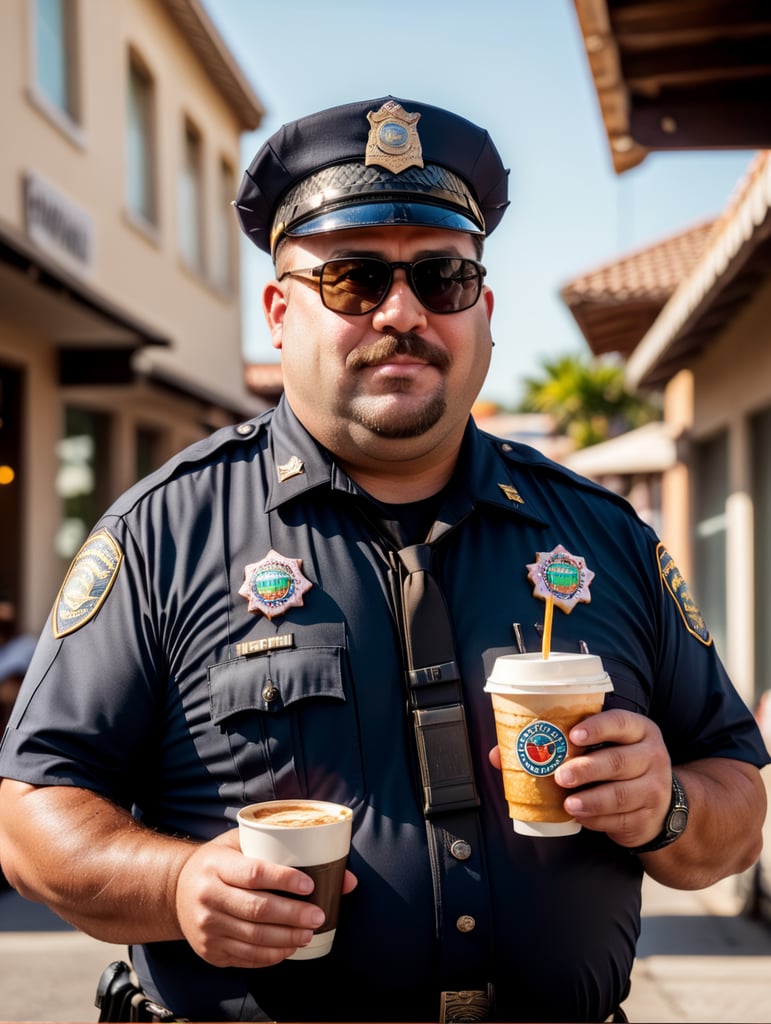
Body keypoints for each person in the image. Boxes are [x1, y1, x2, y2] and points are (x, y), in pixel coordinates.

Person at [0, 95, 767, 1024]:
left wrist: (667, 806)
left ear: (483, 311)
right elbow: (32, 816)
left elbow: (735, 802)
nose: (402, 313)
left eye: (443, 278)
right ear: (279, 311)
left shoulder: (605, 537)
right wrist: (176, 885)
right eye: (353, 280)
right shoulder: (164, 533)